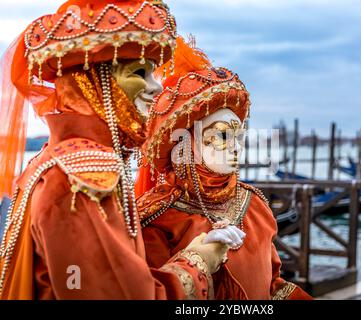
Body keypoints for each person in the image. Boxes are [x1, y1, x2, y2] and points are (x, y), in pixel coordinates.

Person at [0, 0, 240, 300]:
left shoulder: (52, 160)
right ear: (92, 84)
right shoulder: (84, 180)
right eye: (140, 73)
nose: (156, 88)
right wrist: (197, 262)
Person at [136, 37, 313, 300]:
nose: (235, 148)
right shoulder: (158, 219)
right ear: (186, 146)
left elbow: (272, 286)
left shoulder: (254, 205)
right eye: (221, 136)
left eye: (238, 137)